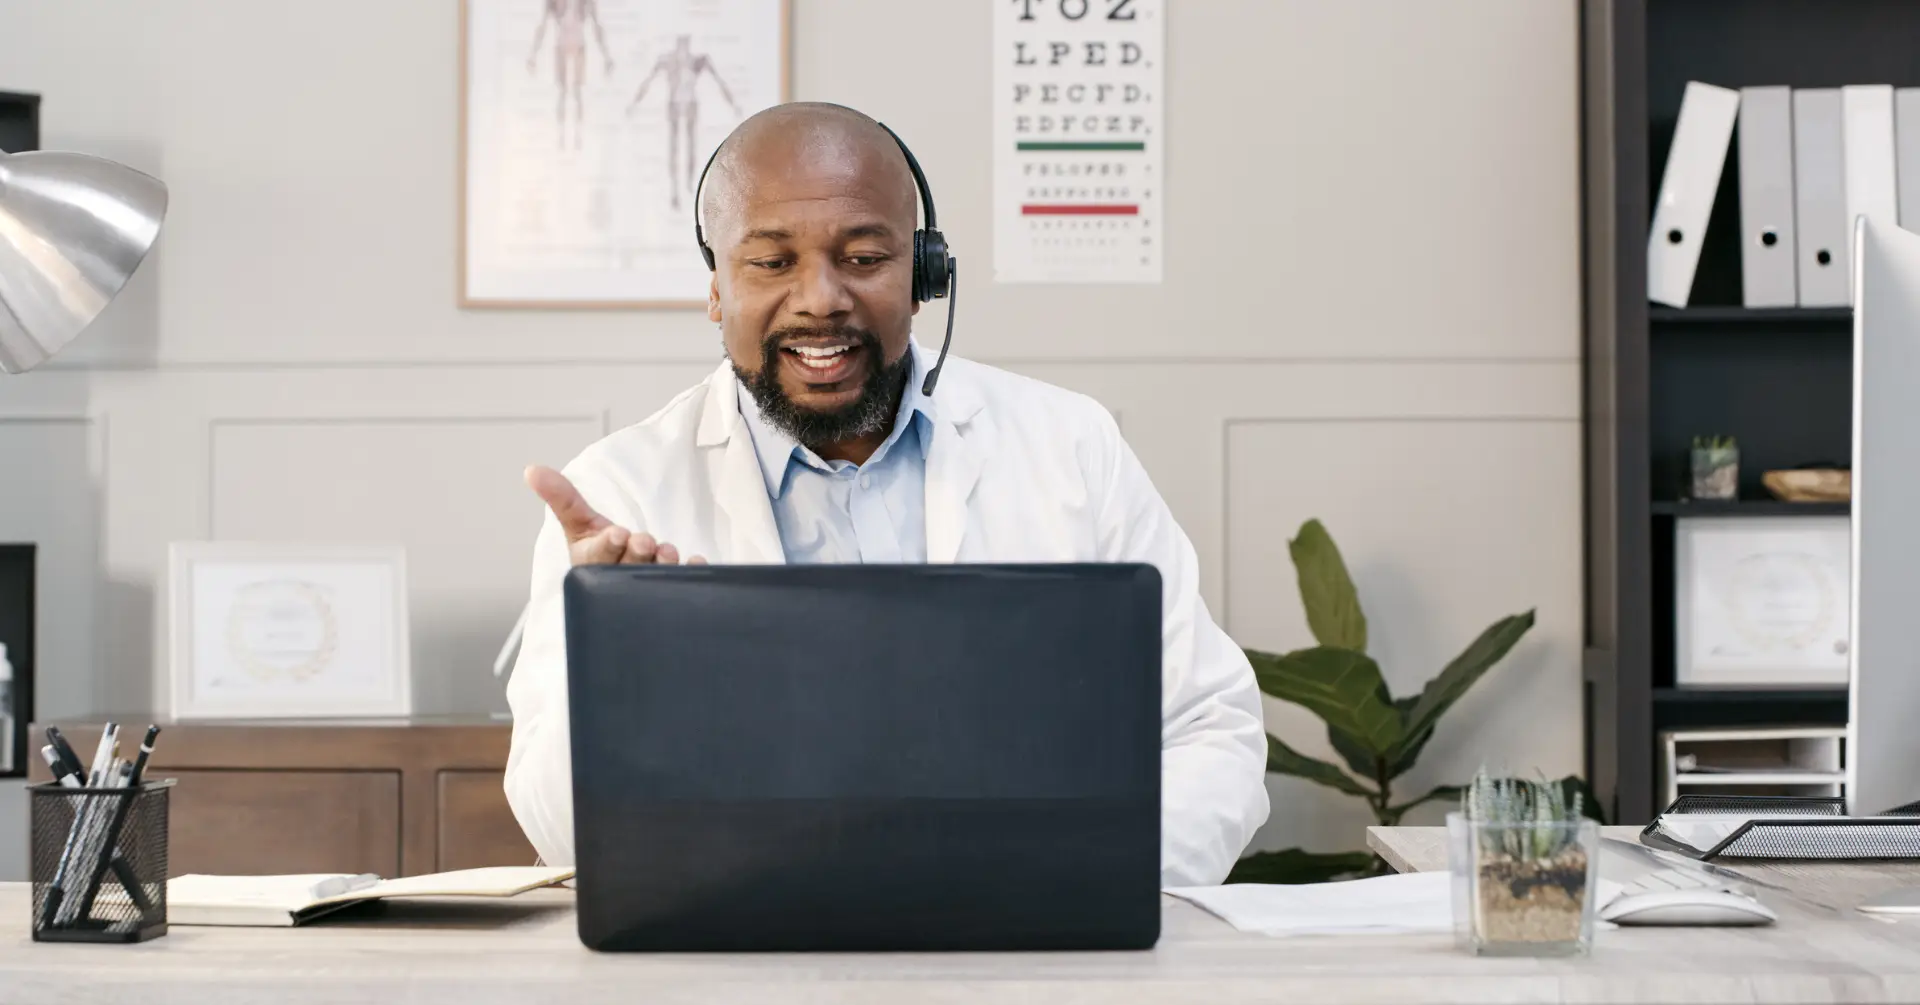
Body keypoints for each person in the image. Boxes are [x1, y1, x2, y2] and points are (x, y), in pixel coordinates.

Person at [503, 102, 1269, 888]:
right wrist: (620, 662)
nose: (820, 298)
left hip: (1031, 948)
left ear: (924, 275)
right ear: (716, 289)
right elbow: (562, 831)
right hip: (742, 951)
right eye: (771, 262)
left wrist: (1075, 881)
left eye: (865, 256)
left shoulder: (1073, 447)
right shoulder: (617, 491)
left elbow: (1213, 730)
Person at [627, 35, 742, 210]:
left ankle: (689, 187)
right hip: (675, 104)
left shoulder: (698, 61)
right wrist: (634, 103)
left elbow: (718, 81)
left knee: (689, 146)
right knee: (674, 148)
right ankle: (675, 190)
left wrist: (733, 103)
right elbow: (649, 81)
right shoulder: (667, 60)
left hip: (689, 104)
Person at [526, 0, 614, 150]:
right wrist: (533, 54)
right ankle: (561, 136)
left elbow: (596, 26)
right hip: (561, 45)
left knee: (577, 92)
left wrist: (606, 55)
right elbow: (543, 26)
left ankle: (578, 136)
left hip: (578, 45)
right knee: (563, 92)